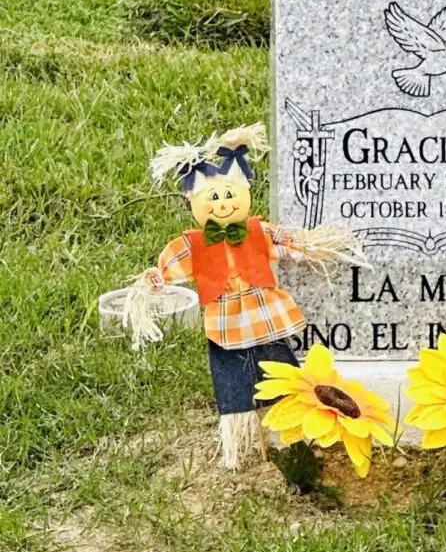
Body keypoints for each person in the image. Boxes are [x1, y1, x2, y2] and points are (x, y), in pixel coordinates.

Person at [123, 124, 364, 468]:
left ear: (245, 194)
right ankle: (238, 442)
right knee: (233, 384)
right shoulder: (191, 245)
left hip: (264, 314)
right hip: (225, 323)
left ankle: (293, 437)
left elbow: (289, 243)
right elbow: (166, 271)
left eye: (230, 195)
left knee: (283, 372)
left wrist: (315, 245)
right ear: (195, 202)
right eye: (214, 198)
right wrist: (151, 284)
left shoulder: (257, 232)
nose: (223, 204)